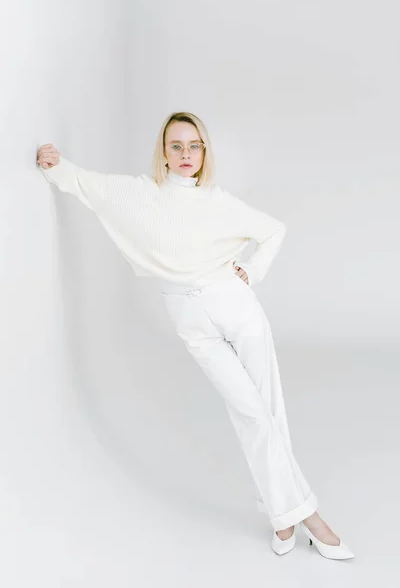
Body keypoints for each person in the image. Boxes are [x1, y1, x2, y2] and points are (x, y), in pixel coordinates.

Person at [37, 111, 354, 559]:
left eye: (195, 146)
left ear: (205, 153)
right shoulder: (141, 194)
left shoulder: (218, 201)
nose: (186, 154)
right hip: (190, 318)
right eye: (176, 146)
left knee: (269, 411)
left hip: (236, 306)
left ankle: (286, 517)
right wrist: (56, 165)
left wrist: (253, 269)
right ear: (163, 154)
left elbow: (273, 231)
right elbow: (90, 186)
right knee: (250, 413)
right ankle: (304, 517)